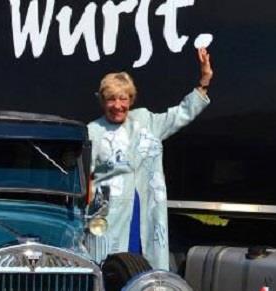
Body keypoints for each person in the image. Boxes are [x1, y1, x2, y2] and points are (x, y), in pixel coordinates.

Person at [87, 48, 214, 270]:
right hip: (109, 215)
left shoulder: (146, 121)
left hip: (145, 208)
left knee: (144, 267)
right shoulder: (93, 131)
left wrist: (204, 81)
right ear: (102, 101)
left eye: (123, 98)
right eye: (111, 99)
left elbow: (181, 114)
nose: (117, 105)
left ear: (131, 99)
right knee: (109, 268)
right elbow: (84, 177)